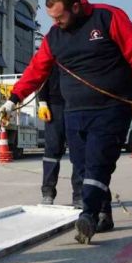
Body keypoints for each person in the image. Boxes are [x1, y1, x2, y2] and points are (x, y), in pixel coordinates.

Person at [0, 0, 132, 245]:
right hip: (74, 111)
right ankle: (104, 213)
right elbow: (36, 70)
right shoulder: (54, 37)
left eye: (59, 17)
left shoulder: (107, 17)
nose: (56, 23)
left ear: (75, 7)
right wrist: (12, 99)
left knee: (97, 163)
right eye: (52, 18)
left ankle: (88, 216)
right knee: (83, 168)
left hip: (111, 108)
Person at [37, 66, 82, 207]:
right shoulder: (52, 48)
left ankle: (79, 195)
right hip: (54, 105)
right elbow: (41, 75)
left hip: (76, 104)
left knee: (78, 151)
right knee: (52, 150)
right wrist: (42, 101)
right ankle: (48, 193)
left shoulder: (79, 49)